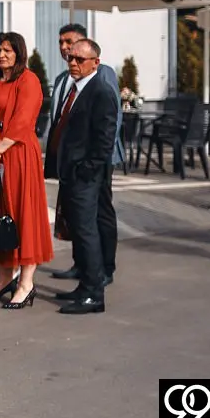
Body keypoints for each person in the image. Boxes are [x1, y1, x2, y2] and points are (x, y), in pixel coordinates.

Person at [0, 32, 53, 309]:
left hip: (18, 153)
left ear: (19, 53)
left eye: (7, 50)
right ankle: (5, 276)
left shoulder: (28, 80)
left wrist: (0, 149)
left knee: (22, 213)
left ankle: (26, 283)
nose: (1, 54)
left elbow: (23, 120)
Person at [44, 23, 122, 287]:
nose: (67, 50)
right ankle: (82, 266)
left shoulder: (102, 76)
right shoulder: (63, 78)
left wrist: (94, 162)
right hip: (70, 162)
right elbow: (59, 118)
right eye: (63, 45)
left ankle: (104, 269)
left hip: (95, 162)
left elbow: (109, 119)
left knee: (98, 214)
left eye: (71, 43)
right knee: (77, 216)